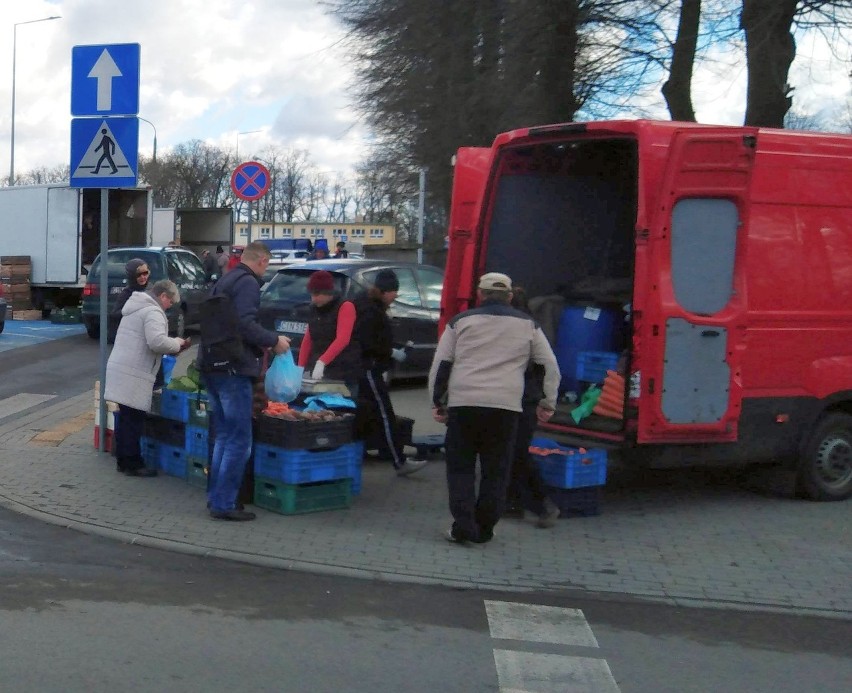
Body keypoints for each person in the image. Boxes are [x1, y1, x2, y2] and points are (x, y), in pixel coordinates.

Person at [429, 272, 560, 544]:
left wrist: (437, 402)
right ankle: (485, 528)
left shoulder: (460, 322)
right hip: (505, 408)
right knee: (496, 471)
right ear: (510, 296)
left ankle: (463, 526)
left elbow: (441, 365)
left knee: (461, 469)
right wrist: (547, 403)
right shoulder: (529, 326)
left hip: (464, 404)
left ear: (479, 294)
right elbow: (549, 367)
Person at [199, 241, 291, 521]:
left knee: (224, 437)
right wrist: (274, 340)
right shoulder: (249, 284)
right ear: (262, 260)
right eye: (267, 265)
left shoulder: (225, 279)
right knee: (239, 440)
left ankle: (216, 497)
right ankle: (225, 503)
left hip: (211, 363)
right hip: (234, 369)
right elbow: (245, 324)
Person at [105, 280, 190, 477]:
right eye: (170, 301)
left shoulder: (135, 307)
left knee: (126, 417)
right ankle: (133, 463)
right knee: (134, 419)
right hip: (135, 371)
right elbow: (157, 341)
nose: (170, 306)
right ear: (163, 296)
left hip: (122, 367)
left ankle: (123, 460)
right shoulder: (152, 312)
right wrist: (177, 343)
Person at [354, 269, 428, 476]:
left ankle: (377, 455)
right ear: (385, 291)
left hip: (365, 367)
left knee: (369, 413)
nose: (396, 296)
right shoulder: (371, 311)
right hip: (368, 368)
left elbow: (376, 338)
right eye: (394, 291)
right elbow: (367, 342)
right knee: (385, 414)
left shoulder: (369, 305)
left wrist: (394, 347)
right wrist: (392, 352)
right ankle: (398, 461)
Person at [504, 285, 559, 528]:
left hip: (516, 398)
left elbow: (546, 367)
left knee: (516, 454)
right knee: (514, 453)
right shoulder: (533, 327)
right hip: (526, 399)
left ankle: (543, 504)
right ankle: (513, 503)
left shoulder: (517, 330)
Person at [297, 270, 361, 397]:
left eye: (317, 294)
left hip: (344, 371)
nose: (313, 299)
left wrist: (322, 362)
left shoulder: (345, 306)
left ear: (328, 293)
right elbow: (308, 339)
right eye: (312, 294)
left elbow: (343, 339)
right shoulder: (314, 309)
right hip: (323, 373)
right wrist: (300, 368)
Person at [109, 258, 150, 341]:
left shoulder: (150, 290)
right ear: (132, 276)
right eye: (138, 275)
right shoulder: (126, 293)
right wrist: (132, 309)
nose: (143, 277)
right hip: (130, 336)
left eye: (145, 273)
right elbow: (114, 315)